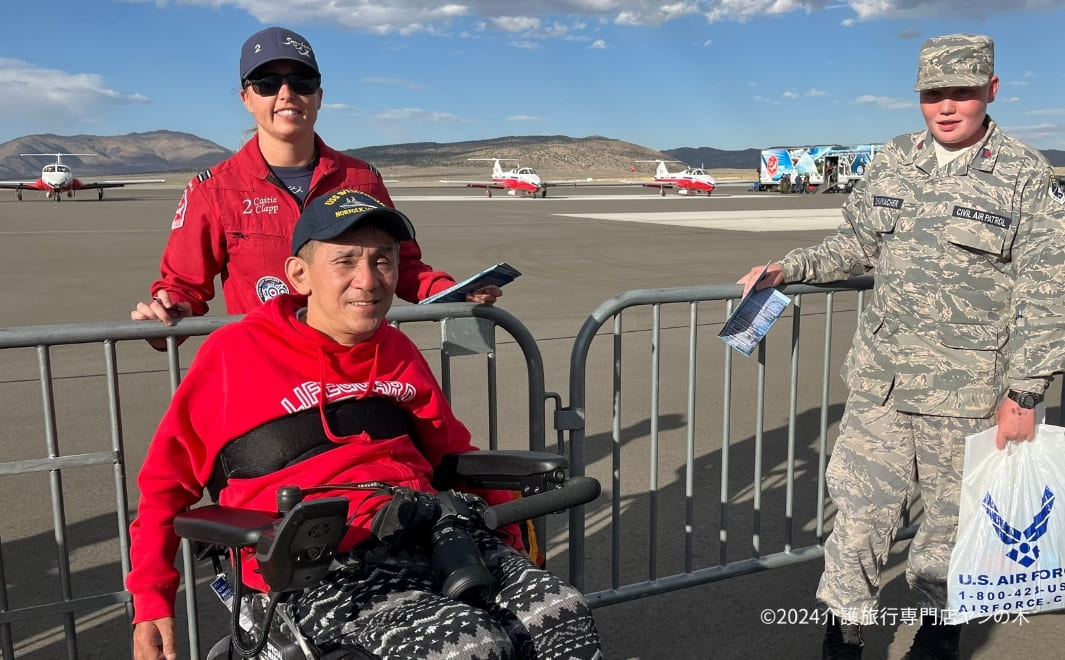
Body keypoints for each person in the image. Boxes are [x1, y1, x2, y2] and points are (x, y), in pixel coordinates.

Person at [126, 189, 602, 660]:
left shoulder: (396, 351)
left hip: (424, 531)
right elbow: (166, 485)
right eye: (345, 261)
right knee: (467, 645)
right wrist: (151, 601)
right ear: (299, 274)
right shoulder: (233, 355)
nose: (368, 281)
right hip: (316, 563)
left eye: (383, 261)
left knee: (562, 614)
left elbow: (455, 454)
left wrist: (508, 541)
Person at [736, 34, 1065, 659]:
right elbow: (855, 245)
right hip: (880, 388)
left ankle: (936, 646)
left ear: (991, 92)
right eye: (932, 94)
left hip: (967, 397)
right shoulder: (893, 160)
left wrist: (1025, 391)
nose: (946, 108)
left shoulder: (1025, 175)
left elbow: (1047, 293)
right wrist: (790, 268)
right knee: (857, 525)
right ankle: (844, 640)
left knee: (950, 536)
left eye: (961, 93)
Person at [131, 26, 500, 339]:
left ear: (319, 96)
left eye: (302, 82)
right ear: (246, 98)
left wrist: (452, 293)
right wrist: (166, 312)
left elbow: (404, 265)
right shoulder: (211, 190)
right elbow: (183, 287)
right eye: (267, 83)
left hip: (356, 368)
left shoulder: (362, 179)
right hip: (268, 373)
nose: (287, 94)